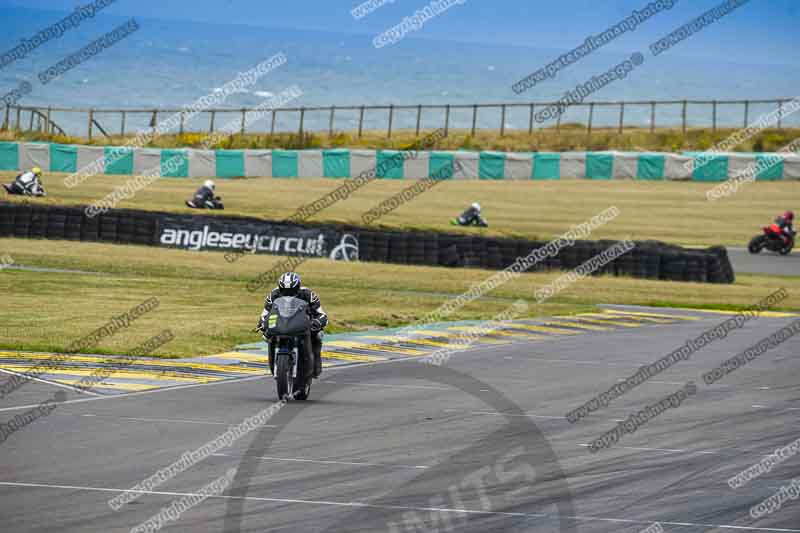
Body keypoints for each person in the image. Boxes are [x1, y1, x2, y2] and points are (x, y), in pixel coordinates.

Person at [257, 272, 327, 378]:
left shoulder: (308, 294)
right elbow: (264, 314)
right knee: (267, 336)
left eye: (291, 291)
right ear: (280, 288)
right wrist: (263, 323)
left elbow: (321, 314)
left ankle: (315, 365)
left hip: (303, 325)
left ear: (297, 288)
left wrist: (317, 322)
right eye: (285, 291)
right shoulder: (274, 294)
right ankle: (273, 362)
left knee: (318, 335)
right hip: (281, 324)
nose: (288, 295)